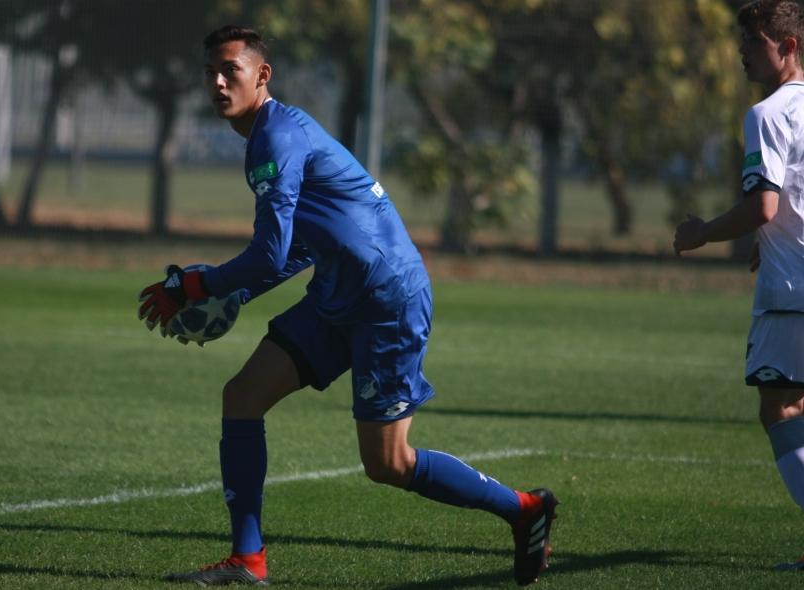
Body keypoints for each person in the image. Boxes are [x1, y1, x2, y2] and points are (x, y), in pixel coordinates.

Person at [139, 25, 557, 586]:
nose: (217, 82)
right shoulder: (268, 135)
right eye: (210, 72)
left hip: (388, 298)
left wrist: (197, 286)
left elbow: (270, 253)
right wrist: (233, 291)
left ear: (261, 76)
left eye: (230, 70)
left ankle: (525, 508)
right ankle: (248, 559)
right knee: (242, 397)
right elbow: (295, 249)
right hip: (339, 292)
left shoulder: (276, 138)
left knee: (388, 464)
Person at [673, 0, 804, 572]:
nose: (743, 53)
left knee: (779, 410)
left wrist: (704, 232)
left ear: (788, 47)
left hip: (791, 292)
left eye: (755, 42)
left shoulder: (767, 113)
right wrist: (771, 236)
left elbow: (763, 204)